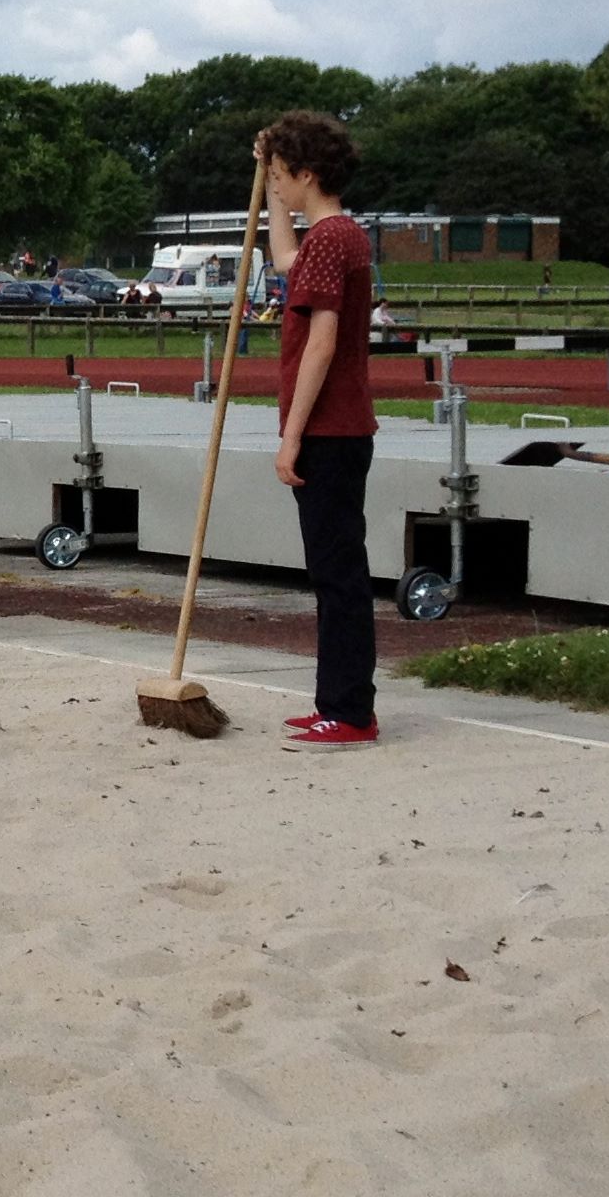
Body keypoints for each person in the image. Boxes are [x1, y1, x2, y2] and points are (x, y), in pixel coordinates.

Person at [259, 112, 380, 750]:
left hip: (330, 431)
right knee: (331, 572)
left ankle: (351, 712)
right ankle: (336, 703)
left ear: (307, 174)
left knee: (338, 575)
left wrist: (292, 436)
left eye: (282, 175)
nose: (277, 186)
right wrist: (263, 178)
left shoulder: (333, 240)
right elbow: (285, 260)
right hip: (335, 429)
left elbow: (322, 342)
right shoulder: (332, 237)